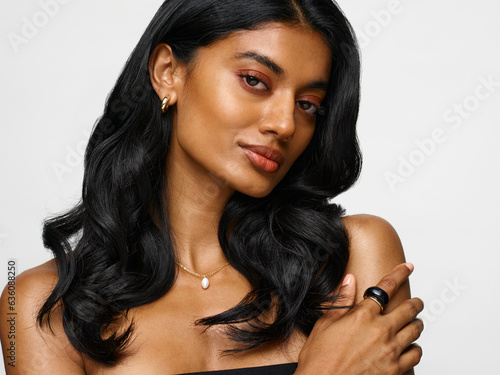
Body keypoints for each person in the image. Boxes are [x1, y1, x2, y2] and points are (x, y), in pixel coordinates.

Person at [0, 0, 423, 374]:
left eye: (308, 104)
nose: (285, 123)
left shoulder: (353, 260)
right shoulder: (42, 305)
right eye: (255, 80)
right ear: (168, 72)